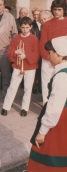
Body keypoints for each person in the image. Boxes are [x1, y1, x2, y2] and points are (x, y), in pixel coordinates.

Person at [27, 36, 67, 171]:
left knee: (50, 156)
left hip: (58, 122)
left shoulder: (62, 76)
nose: (48, 56)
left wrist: (42, 131)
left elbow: (54, 107)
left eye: (50, 53)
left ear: (60, 54)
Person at [1, 17, 40, 116]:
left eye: (27, 27)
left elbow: (36, 53)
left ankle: (24, 108)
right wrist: (15, 52)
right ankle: (6, 107)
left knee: (28, 88)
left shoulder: (34, 38)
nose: (25, 29)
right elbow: (10, 51)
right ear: (20, 27)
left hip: (30, 67)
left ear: (31, 27)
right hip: (18, 66)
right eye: (23, 27)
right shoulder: (16, 38)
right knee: (12, 87)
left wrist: (26, 55)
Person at [40, 0, 67, 105]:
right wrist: (48, 57)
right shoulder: (47, 24)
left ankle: (61, 105)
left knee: (61, 82)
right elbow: (43, 42)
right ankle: (46, 104)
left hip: (63, 59)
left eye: (59, 9)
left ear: (64, 10)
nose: (56, 12)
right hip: (48, 58)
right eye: (55, 9)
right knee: (46, 83)